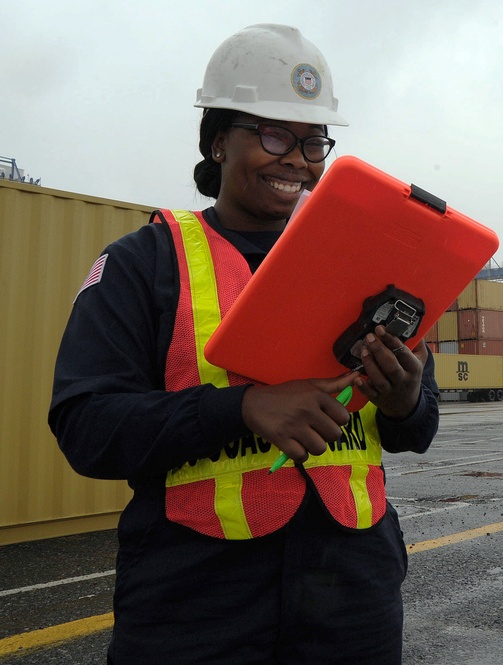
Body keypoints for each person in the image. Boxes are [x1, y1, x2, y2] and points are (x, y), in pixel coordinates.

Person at [48, 24, 439, 664]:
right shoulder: (144, 262)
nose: (298, 159)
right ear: (217, 142)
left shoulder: (369, 267)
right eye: (274, 134)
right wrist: (241, 409)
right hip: (194, 604)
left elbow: (416, 428)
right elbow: (85, 426)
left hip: (353, 600)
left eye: (314, 142)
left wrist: (406, 400)